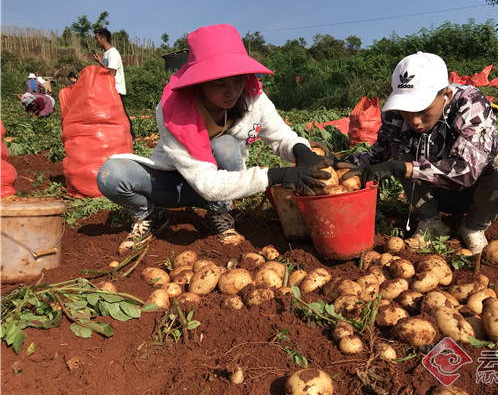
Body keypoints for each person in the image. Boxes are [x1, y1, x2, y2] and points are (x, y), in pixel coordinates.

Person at [96, 24, 329, 255]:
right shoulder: (172, 110)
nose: (232, 91)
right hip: (176, 183)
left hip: (220, 185)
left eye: (237, 80)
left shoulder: (252, 97)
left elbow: (280, 135)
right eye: (219, 83)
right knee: (111, 175)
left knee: (225, 145)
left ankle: (220, 213)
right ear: (200, 81)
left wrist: (300, 150)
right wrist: (274, 175)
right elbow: (207, 184)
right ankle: (149, 216)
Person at [339, 52, 498, 254]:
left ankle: (473, 226)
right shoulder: (395, 113)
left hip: (476, 193)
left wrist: (404, 168)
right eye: (407, 111)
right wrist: (339, 163)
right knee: (397, 146)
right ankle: (430, 220)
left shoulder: (471, 104)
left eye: (422, 109)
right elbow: (378, 155)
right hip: (428, 193)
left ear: (446, 96)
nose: (415, 121)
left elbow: (465, 171)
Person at [93, 27, 135, 139]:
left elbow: (112, 72)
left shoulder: (113, 53)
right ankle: (120, 136)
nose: (95, 41)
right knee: (115, 114)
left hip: (116, 88)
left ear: (104, 39)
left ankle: (131, 136)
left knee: (121, 113)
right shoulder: (107, 53)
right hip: (110, 89)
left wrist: (100, 62)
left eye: (96, 39)